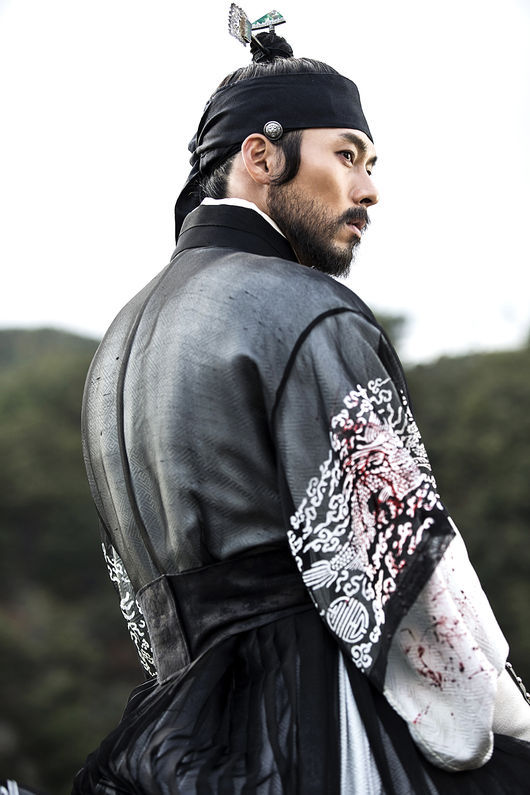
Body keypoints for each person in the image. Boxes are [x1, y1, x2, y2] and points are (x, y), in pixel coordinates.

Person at [73, 8, 530, 794]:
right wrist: (509, 719)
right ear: (261, 156)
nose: (370, 189)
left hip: (174, 740)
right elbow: (410, 573)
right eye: (347, 156)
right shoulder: (304, 308)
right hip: (320, 728)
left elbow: (151, 616)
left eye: (371, 163)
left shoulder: (115, 346)